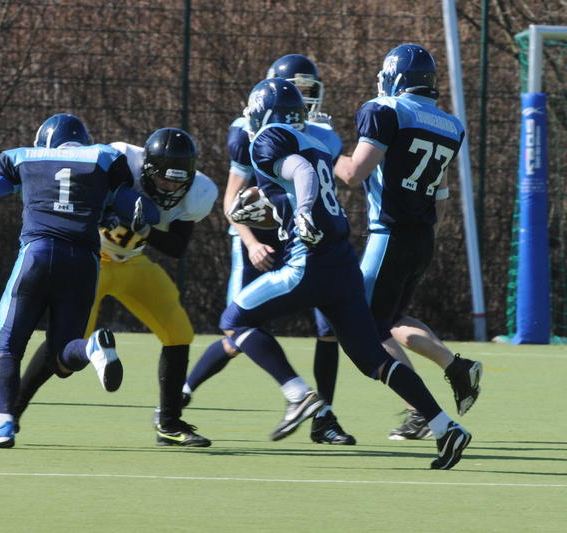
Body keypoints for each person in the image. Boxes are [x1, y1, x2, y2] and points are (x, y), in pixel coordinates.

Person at [223, 77, 471, 469]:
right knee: (373, 358)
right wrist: (278, 210)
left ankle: (298, 394)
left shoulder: (269, 138)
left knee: (234, 321)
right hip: (343, 266)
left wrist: (302, 211)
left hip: (308, 263)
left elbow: (301, 173)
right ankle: (444, 426)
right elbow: (303, 185)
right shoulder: (318, 142)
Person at [0, 113, 159, 448]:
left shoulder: (23, 156)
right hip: (85, 262)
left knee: (8, 343)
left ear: (45, 141)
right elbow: (145, 210)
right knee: (62, 353)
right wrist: (136, 216)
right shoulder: (104, 157)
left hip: (38, 254)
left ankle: (2, 426)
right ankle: (91, 348)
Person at [183, 54, 355, 445]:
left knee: (329, 330)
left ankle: (323, 418)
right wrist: (251, 241)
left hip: (305, 240)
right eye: (296, 92)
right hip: (261, 239)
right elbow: (232, 202)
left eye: (308, 92)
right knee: (238, 329)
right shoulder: (248, 133)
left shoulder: (321, 132)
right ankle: (181, 394)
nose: (303, 101)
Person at [12, 127, 218, 447]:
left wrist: (143, 230)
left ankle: (169, 423)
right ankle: (9, 414)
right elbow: (72, 194)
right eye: (163, 179)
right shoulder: (118, 159)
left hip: (132, 261)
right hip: (91, 259)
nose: (170, 187)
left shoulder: (199, 192)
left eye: (178, 181)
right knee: (64, 350)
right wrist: (103, 211)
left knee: (179, 332)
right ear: (146, 169)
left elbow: (177, 247)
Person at [334, 43, 483, 440]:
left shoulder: (386, 110)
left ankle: (423, 412)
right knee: (392, 319)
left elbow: (352, 174)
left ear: (394, 78)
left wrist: (324, 151)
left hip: (389, 234)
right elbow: (441, 194)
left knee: (364, 327)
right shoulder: (451, 125)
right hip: (422, 237)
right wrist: (426, 231)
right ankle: (456, 367)